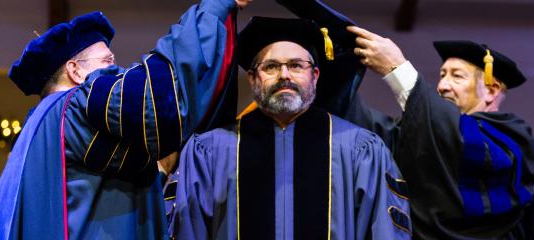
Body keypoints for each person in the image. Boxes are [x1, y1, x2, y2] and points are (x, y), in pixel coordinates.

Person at [0, 0, 250, 238]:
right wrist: (213, 8)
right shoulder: (74, 105)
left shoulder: (39, 125)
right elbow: (155, 98)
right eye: (108, 61)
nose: (116, 71)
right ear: (74, 70)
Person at [168, 17, 411, 240]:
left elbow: (385, 232)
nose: (284, 75)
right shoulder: (209, 151)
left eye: (296, 66)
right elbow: (187, 229)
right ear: (253, 78)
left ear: (315, 76)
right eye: (271, 67)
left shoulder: (360, 150)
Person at [344, 26, 534, 239]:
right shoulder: (423, 134)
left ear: (491, 90)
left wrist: (398, 70)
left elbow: (460, 141)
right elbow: (374, 137)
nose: (442, 86)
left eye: (457, 76)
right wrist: (336, 79)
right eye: (442, 75)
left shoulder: (513, 139)